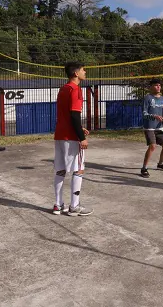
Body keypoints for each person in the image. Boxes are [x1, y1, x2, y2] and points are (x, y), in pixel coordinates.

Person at [52, 62, 92, 216]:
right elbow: (75, 115)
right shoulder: (75, 89)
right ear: (76, 73)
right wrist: (81, 137)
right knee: (79, 169)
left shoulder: (63, 89)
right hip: (71, 137)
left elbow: (66, 115)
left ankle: (58, 204)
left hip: (60, 135)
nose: (85, 72)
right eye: (83, 70)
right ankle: (74, 206)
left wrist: (78, 127)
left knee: (60, 170)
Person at [141, 78, 163, 178]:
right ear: (151, 87)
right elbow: (144, 114)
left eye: (159, 85)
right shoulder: (147, 98)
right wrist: (154, 116)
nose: (158, 87)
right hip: (149, 127)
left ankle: (160, 164)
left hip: (159, 127)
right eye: (156, 85)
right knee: (152, 146)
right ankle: (144, 168)